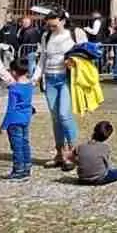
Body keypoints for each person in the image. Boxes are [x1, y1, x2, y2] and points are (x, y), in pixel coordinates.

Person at [39, 13, 79, 168]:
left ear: (63, 21)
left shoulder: (73, 34)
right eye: (49, 26)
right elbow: (43, 57)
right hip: (50, 78)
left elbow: (86, 53)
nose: (52, 28)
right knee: (55, 117)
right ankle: (60, 153)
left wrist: (75, 61)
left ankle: (73, 152)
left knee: (64, 115)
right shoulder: (46, 36)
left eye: (54, 25)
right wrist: (35, 76)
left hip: (66, 78)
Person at [0, 59, 36, 181]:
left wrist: (4, 125)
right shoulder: (30, 86)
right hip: (26, 119)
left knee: (17, 147)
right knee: (25, 143)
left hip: (14, 121)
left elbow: (11, 109)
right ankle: (27, 166)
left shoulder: (14, 89)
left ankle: (19, 170)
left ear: (14, 72)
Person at [74, 120, 117, 186]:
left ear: (94, 131)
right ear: (107, 136)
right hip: (99, 179)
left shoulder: (81, 147)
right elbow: (106, 166)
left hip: (82, 180)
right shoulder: (105, 148)